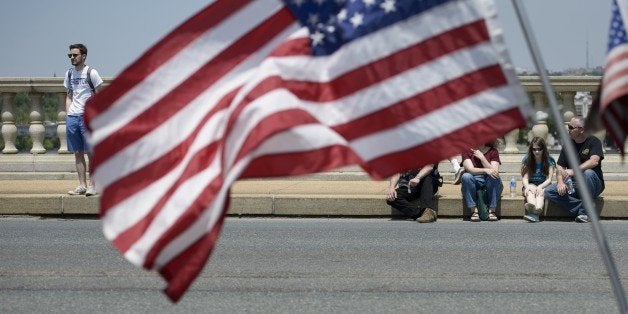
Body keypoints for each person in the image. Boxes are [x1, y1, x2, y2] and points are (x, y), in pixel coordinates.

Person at [544, 117, 604, 223]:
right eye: (568, 127)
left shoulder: (594, 141)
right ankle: (587, 206)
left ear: (581, 129)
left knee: (588, 173)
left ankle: (584, 213)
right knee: (549, 191)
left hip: (593, 184)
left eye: (571, 127)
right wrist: (560, 182)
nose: (568, 130)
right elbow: (559, 166)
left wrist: (574, 170)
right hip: (574, 184)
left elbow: (594, 161)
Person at [64, 43, 103, 196]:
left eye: (75, 55)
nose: (72, 58)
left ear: (83, 56)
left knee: (90, 152)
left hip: (87, 117)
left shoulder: (91, 73)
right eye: (70, 55)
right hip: (73, 117)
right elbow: (69, 95)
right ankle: (82, 185)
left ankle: (93, 186)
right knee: (78, 153)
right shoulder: (69, 74)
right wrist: (68, 114)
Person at [460, 141, 503, 221]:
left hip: (489, 181)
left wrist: (482, 158)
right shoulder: (466, 150)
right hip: (473, 180)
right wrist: (485, 170)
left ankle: (492, 211)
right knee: (466, 176)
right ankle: (474, 211)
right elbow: (470, 170)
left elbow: (495, 171)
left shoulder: (493, 151)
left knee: (495, 177)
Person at [521, 137, 555, 222]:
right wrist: (527, 186)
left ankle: (536, 211)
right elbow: (525, 178)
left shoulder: (549, 160)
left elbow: (549, 179)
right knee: (530, 192)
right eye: (534, 149)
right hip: (531, 183)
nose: (536, 151)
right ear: (531, 149)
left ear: (543, 149)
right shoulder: (527, 159)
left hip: (544, 184)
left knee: (540, 193)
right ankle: (534, 209)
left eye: (539, 149)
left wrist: (540, 186)